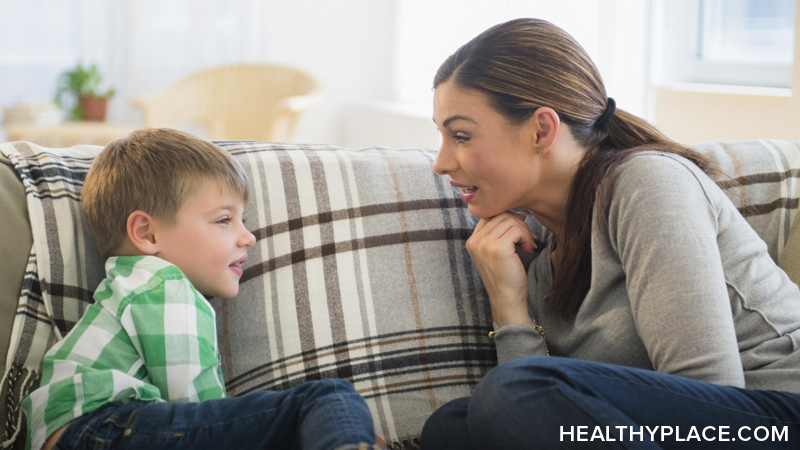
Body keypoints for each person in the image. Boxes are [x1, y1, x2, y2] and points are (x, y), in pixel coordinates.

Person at [420, 18, 800, 449]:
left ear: (541, 129)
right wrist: (510, 307)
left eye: (462, 136)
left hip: (770, 417)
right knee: (452, 426)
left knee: (513, 392)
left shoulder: (646, 183)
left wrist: (523, 393)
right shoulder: (536, 250)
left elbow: (709, 392)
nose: (442, 162)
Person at [21, 128, 383, 450]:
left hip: (83, 431)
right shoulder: (163, 285)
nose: (249, 236)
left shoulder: (128, 285)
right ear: (147, 234)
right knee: (330, 398)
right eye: (224, 220)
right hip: (98, 429)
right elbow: (200, 406)